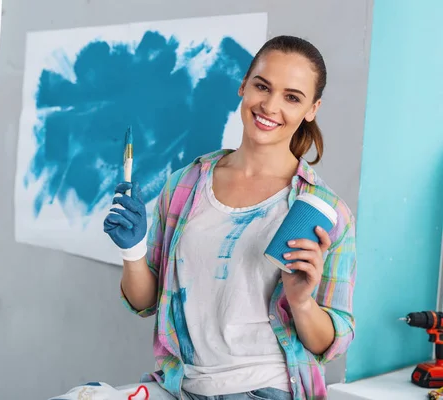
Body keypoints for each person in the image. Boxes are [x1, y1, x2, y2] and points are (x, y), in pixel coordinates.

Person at [51, 35, 356, 400]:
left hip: (267, 388)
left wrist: (302, 301)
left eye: (292, 97)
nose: (271, 106)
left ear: (312, 109)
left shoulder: (324, 211)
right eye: (262, 86)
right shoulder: (185, 185)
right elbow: (145, 302)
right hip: (180, 384)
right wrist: (132, 251)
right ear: (243, 86)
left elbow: (332, 343)